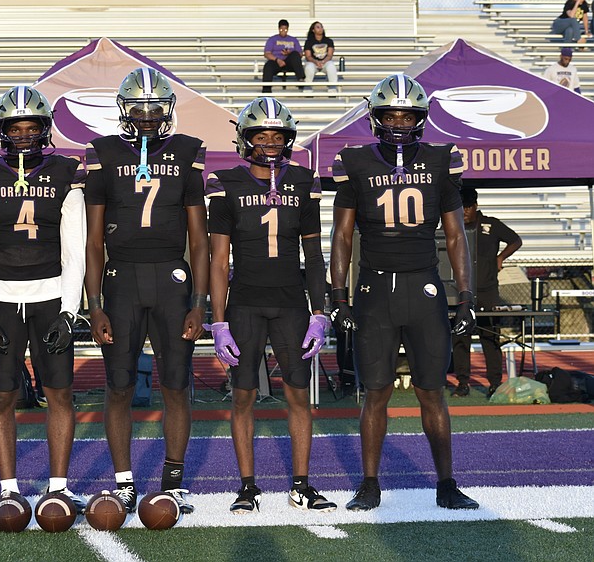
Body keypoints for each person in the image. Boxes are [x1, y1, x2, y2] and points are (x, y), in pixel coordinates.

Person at [329, 74, 479, 512]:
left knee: (432, 390)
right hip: (375, 287)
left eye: (407, 115)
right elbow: (341, 235)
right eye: (391, 114)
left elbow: (455, 237)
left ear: (421, 119)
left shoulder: (440, 158)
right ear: (375, 118)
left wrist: (466, 295)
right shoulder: (354, 161)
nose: (398, 122)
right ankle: (370, 482)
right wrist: (339, 295)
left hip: (423, 285)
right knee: (374, 390)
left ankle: (447, 483)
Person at [84, 67, 208, 514]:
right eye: (139, 106)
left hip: (173, 280)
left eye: (156, 107)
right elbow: (93, 240)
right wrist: (94, 305)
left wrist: (199, 301)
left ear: (168, 110)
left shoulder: (188, 152)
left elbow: (200, 239)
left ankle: (172, 482)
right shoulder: (102, 153)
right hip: (122, 281)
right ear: (124, 109)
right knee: (118, 386)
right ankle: (123, 483)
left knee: (175, 384)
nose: (148, 115)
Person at [206, 97, 335, 515]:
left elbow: (314, 256)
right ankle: (247, 486)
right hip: (244, 302)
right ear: (245, 139)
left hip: (291, 303)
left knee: (298, 395)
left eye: (277, 136)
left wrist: (320, 311)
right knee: (243, 397)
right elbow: (218, 259)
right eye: (261, 135)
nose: (269, 143)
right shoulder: (226, 182)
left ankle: (301, 484)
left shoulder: (304, 182)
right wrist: (218, 320)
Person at [0, 85, 88, 514]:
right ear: (1, 130)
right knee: (1, 395)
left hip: (51, 294)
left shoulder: (67, 171)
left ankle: (58, 485)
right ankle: (8, 487)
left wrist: (70, 312)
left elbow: (75, 249)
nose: (23, 136)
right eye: (14, 129)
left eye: (31, 128)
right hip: (1, 297)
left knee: (60, 393)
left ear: (45, 130)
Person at [452, 187, 522, 399]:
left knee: (490, 338)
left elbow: (516, 240)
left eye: (467, 207)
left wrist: (500, 258)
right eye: (460, 207)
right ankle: (462, 383)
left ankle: (494, 383)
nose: (464, 211)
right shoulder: (453, 226)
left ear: (475, 206)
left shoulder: (491, 225)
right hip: (460, 292)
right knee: (460, 339)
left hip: (488, 291)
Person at [262, 19, 304, 94]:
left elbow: (300, 54)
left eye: (285, 29)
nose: (283, 31)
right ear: (278, 29)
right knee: (268, 65)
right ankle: (266, 90)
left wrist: (289, 53)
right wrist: (277, 60)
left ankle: (301, 79)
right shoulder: (273, 39)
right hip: (277, 61)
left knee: (295, 54)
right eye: (281, 29)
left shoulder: (293, 40)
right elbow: (267, 53)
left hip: (289, 62)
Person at [303, 21, 338, 91]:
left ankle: (332, 88)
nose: (320, 29)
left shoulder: (329, 41)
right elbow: (308, 56)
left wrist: (323, 62)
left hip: (325, 62)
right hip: (313, 62)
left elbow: (329, 55)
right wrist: (316, 62)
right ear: (313, 30)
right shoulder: (309, 41)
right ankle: (307, 88)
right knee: (309, 67)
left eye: (321, 27)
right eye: (318, 27)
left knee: (331, 66)